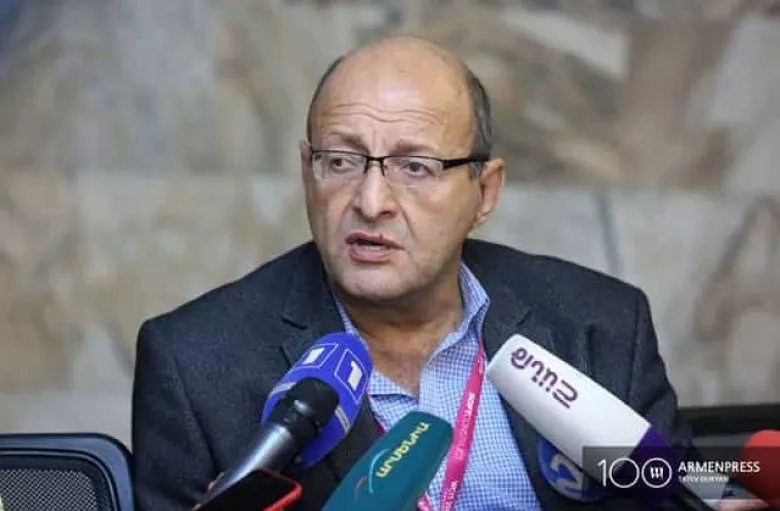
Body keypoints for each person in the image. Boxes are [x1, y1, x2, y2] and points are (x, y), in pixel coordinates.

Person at [131, 37, 767, 511]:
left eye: (416, 167)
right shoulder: (196, 364)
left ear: (484, 192)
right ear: (307, 172)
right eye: (341, 161)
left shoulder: (598, 324)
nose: (371, 202)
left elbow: (674, 485)